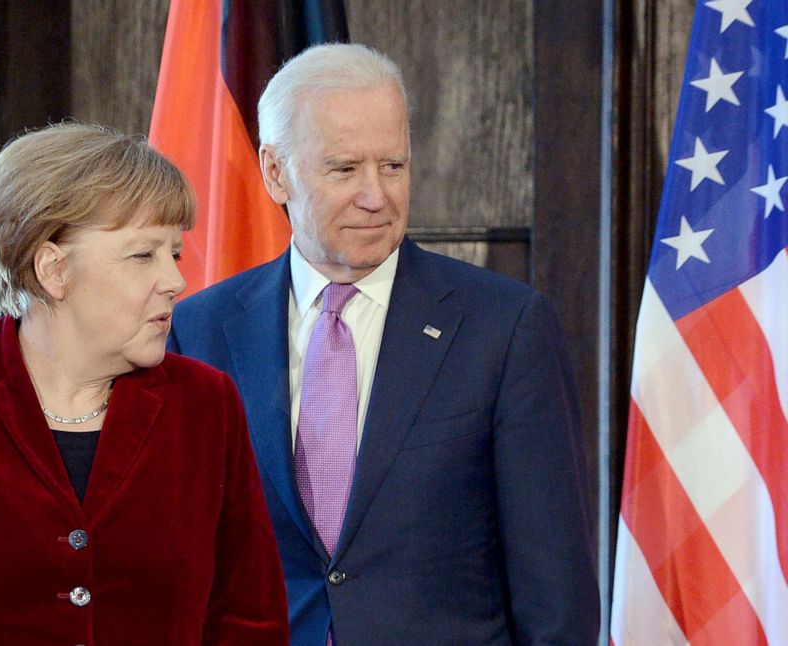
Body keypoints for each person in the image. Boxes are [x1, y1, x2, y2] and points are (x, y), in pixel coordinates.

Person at [168, 44, 600, 644]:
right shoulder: (201, 330)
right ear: (275, 172)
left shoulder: (503, 327)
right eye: (345, 169)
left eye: (393, 166)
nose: (377, 196)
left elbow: (556, 591)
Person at [0, 123, 289, 645]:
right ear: (53, 269)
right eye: (142, 255)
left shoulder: (206, 404)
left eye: (173, 254)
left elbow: (249, 622)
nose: (175, 281)